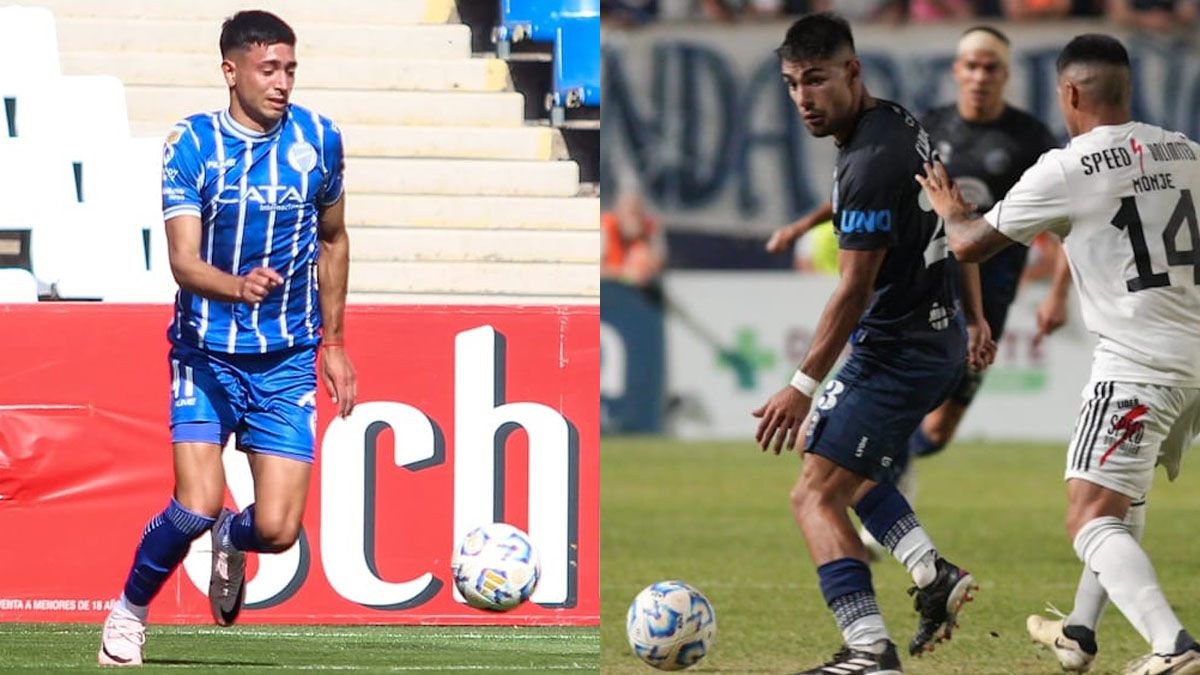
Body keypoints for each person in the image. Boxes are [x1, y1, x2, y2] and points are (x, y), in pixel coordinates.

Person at [917, 33, 1200, 675]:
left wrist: (949, 206)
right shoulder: (1187, 153)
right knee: (1121, 500)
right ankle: (1079, 632)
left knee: (1087, 515)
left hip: (1136, 367)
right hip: (1194, 363)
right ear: (1127, 88)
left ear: (1070, 93)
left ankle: (1172, 644)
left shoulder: (1066, 167)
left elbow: (968, 244)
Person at [97, 10, 356, 666]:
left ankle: (233, 540)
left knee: (276, 527)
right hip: (206, 353)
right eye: (270, 69)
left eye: (290, 69)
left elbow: (333, 238)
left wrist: (335, 342)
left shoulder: (319, 140)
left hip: (288, 359)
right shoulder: (191, 144)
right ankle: (128, 612)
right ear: (231, 71)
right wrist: (236, 288)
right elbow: (182, 261)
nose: (283, 83)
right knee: (194, 503)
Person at [752, 13, 990, 673]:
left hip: (899, 350)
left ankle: (868, 650)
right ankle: (930, 569)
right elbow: (953, 205)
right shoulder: (896, 122)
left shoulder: (868, 163)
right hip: (928, 339)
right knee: (830, 454)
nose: (803, 98)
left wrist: (800, 386)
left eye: (817, 80)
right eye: (793, 83)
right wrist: (974, 316)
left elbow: (852, 291)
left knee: (813, 494)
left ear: (851, 71)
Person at [767, 26, 1064, 532]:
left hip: (986, 294)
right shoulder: (923, 125)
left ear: (1005, 75)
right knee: (844, 437)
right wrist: (804, 222)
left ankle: (887, 475)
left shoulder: (1028, 139)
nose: (979, 76)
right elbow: (869, 195)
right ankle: (895, 495)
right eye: (970, 65)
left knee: (939, 428)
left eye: (990, 67)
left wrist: (1053, 292)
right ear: (957, 70)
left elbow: (1060, 219)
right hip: (928, 297)